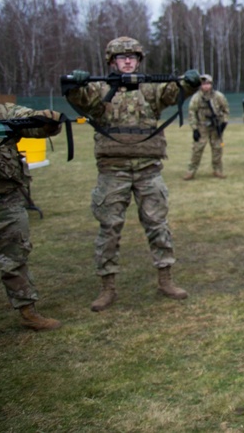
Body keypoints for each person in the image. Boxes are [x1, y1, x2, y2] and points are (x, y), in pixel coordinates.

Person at [65, 36, 200, 312]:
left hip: (148, 170)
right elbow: (79, 98)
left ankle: (165, 279)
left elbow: (173, 94)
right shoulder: (99, 89)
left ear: (139, 60)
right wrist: (75, 84)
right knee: (109, 228)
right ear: (111, 61)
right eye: (121, 57)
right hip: (113, 171)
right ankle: (107, 287)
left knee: (157, 224)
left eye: (132, 57)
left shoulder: (150, 89)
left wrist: (189, 82)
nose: (128, 61)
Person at [0, 56, 63, 331]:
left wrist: (50, 121)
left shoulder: (5, 112)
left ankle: (28, 312)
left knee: (15, 260)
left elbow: (32, 122)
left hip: (7, 203)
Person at [183, 74, 229, 180]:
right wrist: (195, 129)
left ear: (211, 84)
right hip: (202, 127)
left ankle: (217, 170)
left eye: (208, 84)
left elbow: (225, 110)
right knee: (197, 149)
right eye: (204, 84)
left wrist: (223, 124)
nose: (206, 86)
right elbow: (192, 113)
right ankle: (191, 171)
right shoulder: (196, 98)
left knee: (217, 148)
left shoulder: (218, 96)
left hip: (216, 127)